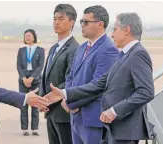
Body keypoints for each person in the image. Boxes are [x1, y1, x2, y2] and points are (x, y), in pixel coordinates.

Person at [45, 13, 155, 144]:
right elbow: (99, 83)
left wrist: (114, 111)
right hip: (113, 127)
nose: (112, 35)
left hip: (125, 129)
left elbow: (146, 92)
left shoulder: (138, 54)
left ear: (127, 30)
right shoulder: (124, 55)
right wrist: (65, 93)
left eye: (115, 29)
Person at [63, 5, 119, 144]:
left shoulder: (108, 50)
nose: (82, 25)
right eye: (81, 22)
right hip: (76, 118)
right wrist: (67, 98)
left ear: (100, 24)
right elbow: (71, 76)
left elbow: (99, 85)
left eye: (86, 22)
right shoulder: (82, 48)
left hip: (92, 119)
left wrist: (71, 102)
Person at [39, 4, 79, 144]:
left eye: (61, 19)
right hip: (50, 111)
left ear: (71, 22)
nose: (56, 22)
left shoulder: (75, 49)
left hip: (63, 113)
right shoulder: (53, 48)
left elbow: (71, 79)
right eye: (54, 19)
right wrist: (41, 99)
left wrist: (47, 100)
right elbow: (45, 76)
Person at [17, 29, 45, 136]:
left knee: (35, 104)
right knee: (23, 104)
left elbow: (40, 66)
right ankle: (24, 128)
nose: (27, 37)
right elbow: (18, 65)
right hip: (23, 80)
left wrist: (32, 78)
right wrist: (24, 78)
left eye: (29, 35)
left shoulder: (40, 50)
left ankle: (35, 128)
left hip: (35, 80)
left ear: (34, 37)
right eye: (25, 36)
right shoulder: (21, 50)